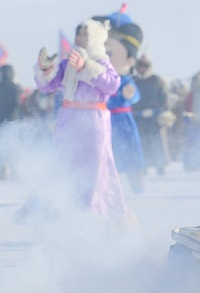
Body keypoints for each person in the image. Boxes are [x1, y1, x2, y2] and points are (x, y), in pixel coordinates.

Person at [30, 18, 129, 220]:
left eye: (85, 34)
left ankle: (93, 215)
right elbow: (49, 86)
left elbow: (112, 85)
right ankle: (64, 214)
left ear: (95, 38)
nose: (80, 38)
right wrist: (46, 71)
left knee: (95, 170)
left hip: (94, 120)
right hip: (69, 120)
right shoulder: (68, 63)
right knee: (64, 165)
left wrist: (87, 67)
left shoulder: (102, 63)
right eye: (78, 33)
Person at [105, 22, 147, 193]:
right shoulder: (103, 78)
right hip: (107, 122)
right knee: (110, 158)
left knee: (132, 158)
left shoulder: (125, 80)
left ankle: (138, 189)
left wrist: (131, 94)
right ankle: (111, 191)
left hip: (124, 122)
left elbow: (135, 95)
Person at [132, 54, 170, 175]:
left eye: (144, 66)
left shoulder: (157, 80)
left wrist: (159, 111)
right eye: (139, 66)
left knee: (157, 142)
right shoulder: (134, 81)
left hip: (155, 117)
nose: (141, 69)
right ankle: (144, 166)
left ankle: (160, 166)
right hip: (138, 117)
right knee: (142, 142)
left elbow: (164, 99)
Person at [0, 63, 23, 179]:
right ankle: (14, 172)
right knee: (13, 148)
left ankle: (3, 172)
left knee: (3, 148)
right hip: (13, 122)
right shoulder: (16, 88)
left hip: (2, 123)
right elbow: (18, 104)